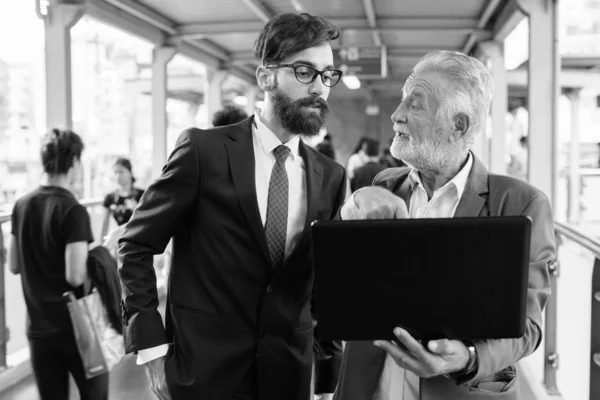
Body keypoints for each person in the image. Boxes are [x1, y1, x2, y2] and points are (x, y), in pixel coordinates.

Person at [119, 12, 347, 400]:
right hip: (205, 369)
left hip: (288, 374)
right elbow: (136, 245)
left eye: (328, 75)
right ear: (265, 77)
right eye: (305, 72)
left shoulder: (330, 175)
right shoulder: (203, 152)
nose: (320, 88)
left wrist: (326, 375)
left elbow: (323, 286)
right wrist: (152, 347)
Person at [334, 50, 555, 400]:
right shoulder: (384, 185)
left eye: (415, 104)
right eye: (403, 99)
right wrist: (351, 208)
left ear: (459, 125)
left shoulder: (520, 204)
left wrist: (466, 358)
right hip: (372, 385)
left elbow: (528, 328)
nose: (396, 115)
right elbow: (347, 285)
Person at [7, 129, 109, 400]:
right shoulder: (72, 210)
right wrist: (103, 255)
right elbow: (75, 276)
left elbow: (14, 265)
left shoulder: (21, 205)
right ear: (74, 162)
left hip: (38, 329)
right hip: (76, 328)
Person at [100, 157, 144, 241]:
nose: (118, 176)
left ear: (130, 173)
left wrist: (135, 208)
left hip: (139, 239)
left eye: (121, 172)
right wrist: (102, 247)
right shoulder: (110, 197)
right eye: (115, 172)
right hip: (121, 240)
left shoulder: (142, 194)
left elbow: (148, 221)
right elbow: (104, 225)